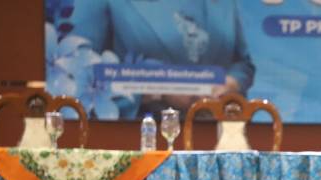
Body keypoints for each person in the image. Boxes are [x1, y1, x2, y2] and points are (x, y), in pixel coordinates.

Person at [69, 0, 255, 117]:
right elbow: (80, 69)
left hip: (216, 139)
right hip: (140, 139)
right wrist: (158, 90)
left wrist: (232, 82)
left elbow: (242, 63)